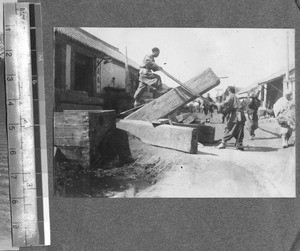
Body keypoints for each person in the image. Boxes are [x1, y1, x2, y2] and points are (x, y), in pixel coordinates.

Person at [217, 86, 246, 151]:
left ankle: (224, 142)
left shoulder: (231, 96)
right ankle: (239, 144)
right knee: (239, 128)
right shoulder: (234, 96)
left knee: (231, 127)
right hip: (239, 113)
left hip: (237, 114)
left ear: (229, 90)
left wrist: (219, 105)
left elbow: (225, 103)